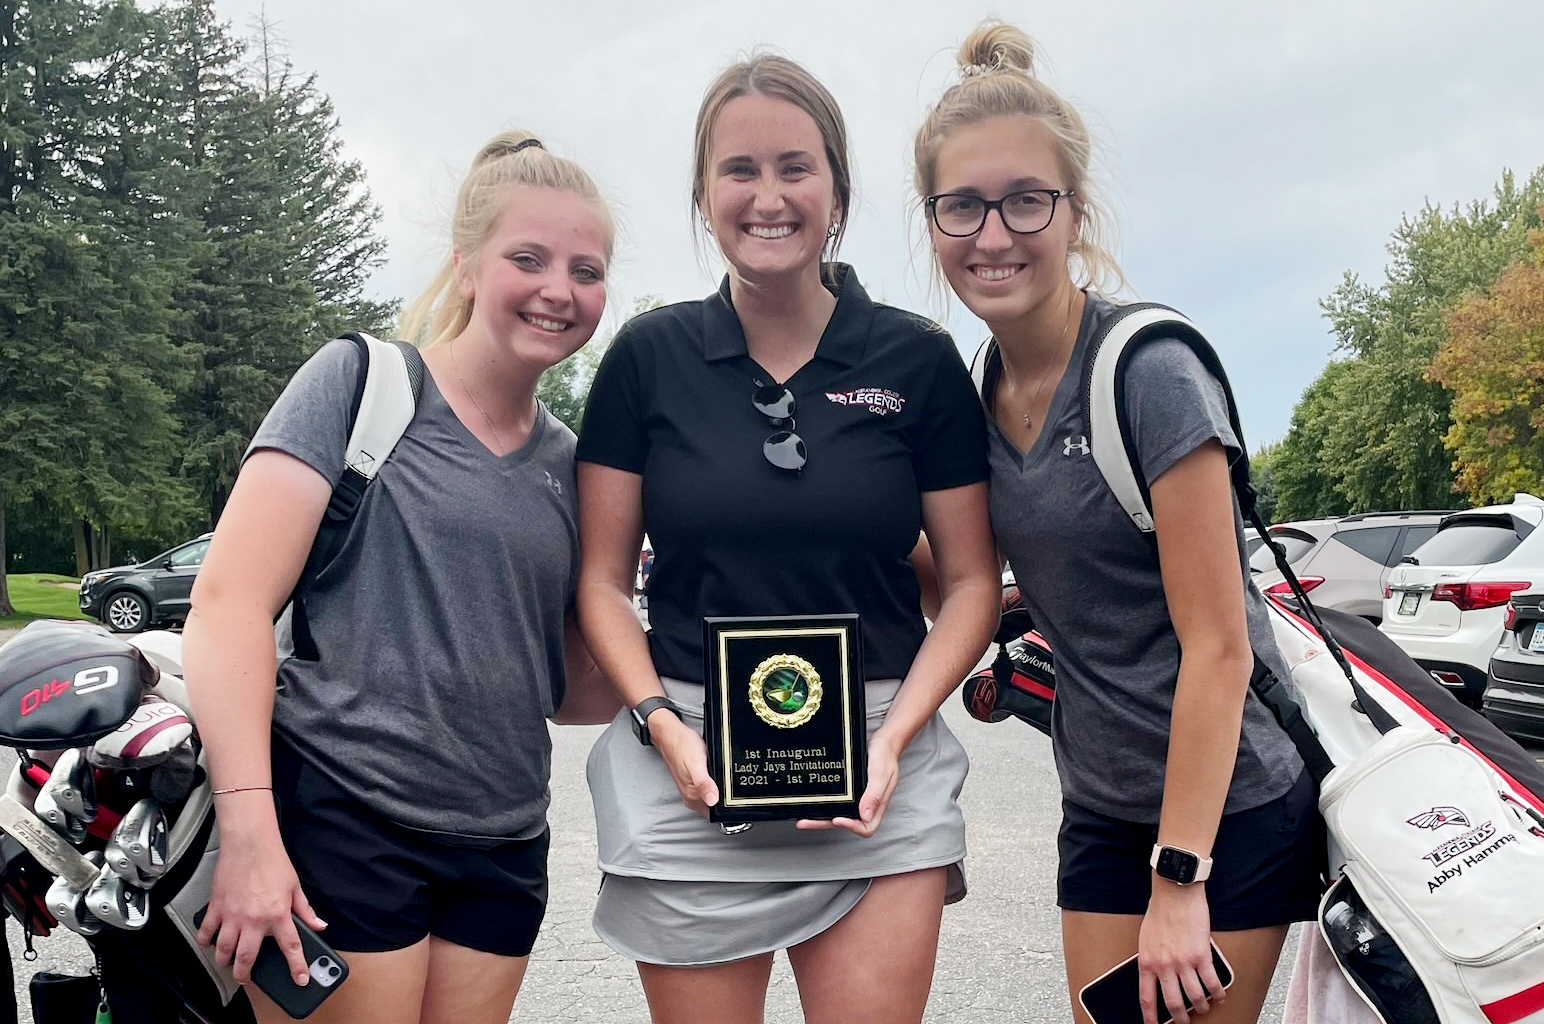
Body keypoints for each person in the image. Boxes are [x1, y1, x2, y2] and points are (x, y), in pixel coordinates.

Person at [574, 52, 1000, 1024]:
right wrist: (658, 724)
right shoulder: (647, 359)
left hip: (876, 777)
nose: (767, 196)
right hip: (690, 773)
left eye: (794, 168)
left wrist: (892, 740)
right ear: (703, 195)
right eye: (739, 170)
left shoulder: (917, 361)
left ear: (838, 195)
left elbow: (973, 583)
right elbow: (600, 582)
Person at [912, 22, 1321, 1024]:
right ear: (932, 221)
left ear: (1072, 211)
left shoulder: (1148, 374)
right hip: (1098, 807)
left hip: (1223, 811)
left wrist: (1179, 878)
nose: (992, 234)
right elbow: (960, 585)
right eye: (961, 205)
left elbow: (1218, 647)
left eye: (1024, 201)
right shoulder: (976, 390)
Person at [181, 130, 618, 1024]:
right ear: (466, 266)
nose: (558, 290)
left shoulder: (576, 470)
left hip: (503, 840)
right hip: (343, 818)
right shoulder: (363, 383)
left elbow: (567, 691)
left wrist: (712, 645)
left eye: (587, 269)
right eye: (527, 259)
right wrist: (251, 837)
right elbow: (226, 607)